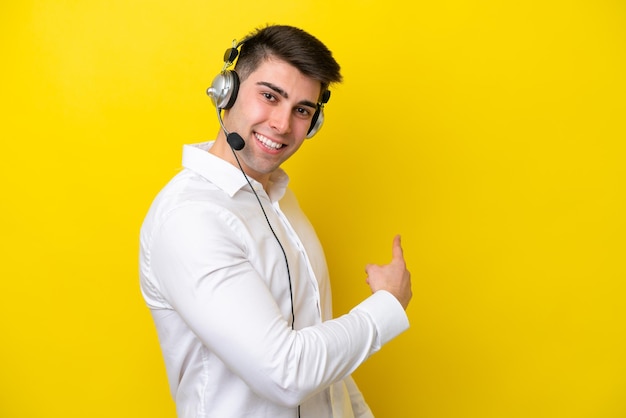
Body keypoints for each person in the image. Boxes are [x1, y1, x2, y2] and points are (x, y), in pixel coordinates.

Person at [139, 24, 412, 418]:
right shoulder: (191, 219)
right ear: (226, 91)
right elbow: (287, 373)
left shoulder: (279, 199)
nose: (283, 125)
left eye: (302, 110)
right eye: (269, 96)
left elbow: (321, 357)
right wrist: (388, 306)